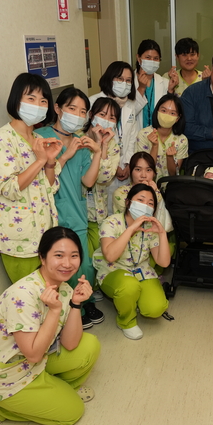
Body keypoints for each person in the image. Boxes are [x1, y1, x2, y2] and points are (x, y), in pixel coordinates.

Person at [0, 226, 101, 425]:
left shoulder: (65, 289)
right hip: (7, 375)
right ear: (42, 257)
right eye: (59, 255)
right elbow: (33, 355)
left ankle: (57, 390)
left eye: (74, 256)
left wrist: (76, 303)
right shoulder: (23, 295)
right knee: (73, 412)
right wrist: (55, 311)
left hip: (37, 360)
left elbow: (70, 343)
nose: (67, 263)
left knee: (90, 345)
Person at [36, 88, 107, 329]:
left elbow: (88, 181)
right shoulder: (41, 137)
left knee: (82, 265)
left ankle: (85, 303)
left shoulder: (82, 142)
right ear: (58, 109)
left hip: (76, 214)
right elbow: (41, 178)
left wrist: (97, 152)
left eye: (82, 111)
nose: (77, 115)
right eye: (72, 108)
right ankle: (68, 311)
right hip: (52, 215)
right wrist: (66, 155)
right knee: (58, 268)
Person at [0, 73, 63, 283]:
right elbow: (8, 188)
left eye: (43, 100)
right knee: (30, 298)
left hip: (45, 235)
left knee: (51, 295)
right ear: (16, 100)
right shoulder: (0, 140)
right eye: (31, 98)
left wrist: (50, 163)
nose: (38, 105)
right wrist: (40, 160)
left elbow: (50, 187)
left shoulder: (39, 139)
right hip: (20, 241)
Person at [94, 184, 171, 340]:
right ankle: (126, 322)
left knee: (156, 308)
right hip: (113, 270)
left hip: (141, 271)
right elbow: (110, 256)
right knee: (129, 286)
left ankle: (132, 300)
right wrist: (130, 229)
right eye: (140, 200)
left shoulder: (149, 227)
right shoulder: (111, 222)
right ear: (128, 202)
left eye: (150, 203)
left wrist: (162, 233)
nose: (145, 205)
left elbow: (163, 262)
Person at [89, 60, 149, 214]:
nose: (124, 83)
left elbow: (132, 137)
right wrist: (113, 166)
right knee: (103, 209)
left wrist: (128, 163)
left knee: (123, 208)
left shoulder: (130, 104)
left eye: (128, 80)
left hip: (125, 168)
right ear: (110, 78)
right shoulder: (94, 102)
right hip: (103, 165)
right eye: (120, 79)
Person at [82, 98, 122, 290]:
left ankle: (94, 288)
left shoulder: (113, 145)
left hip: (98, 210)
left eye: (112, 117)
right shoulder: (78, 140)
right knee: (81, 255)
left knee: (96, 254)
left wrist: (103, 146)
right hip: (78, 209)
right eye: (102, 114)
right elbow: (86, 178)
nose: (106, 120)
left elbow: (104, 177)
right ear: (91, 115)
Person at [135, 93, 188, 180]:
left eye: (172, 113)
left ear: (178, 118)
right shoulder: (144, 134)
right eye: (163, 111)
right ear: (157, 111)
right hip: (145, 183)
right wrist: (154, 146)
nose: (167, 115)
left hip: (169, 185)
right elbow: (145, 170)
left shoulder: (182, 140)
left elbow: (173, 174)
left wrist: (170, 157)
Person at [135, 39, 174, 130]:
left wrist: (170, 91)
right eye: (148, 57)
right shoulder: (129, 81)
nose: (152, 61)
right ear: (138, 58)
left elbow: (169, 114)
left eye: (156, 58)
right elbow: (128, 114)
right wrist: (141, 88)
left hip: (158, 134)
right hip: (136, 135)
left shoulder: (165, 83)